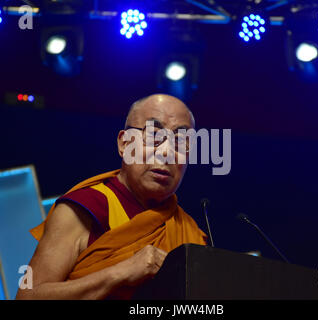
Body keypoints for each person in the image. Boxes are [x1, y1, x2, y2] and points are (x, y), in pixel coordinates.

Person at [16, 93, 207, 300]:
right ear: (124, 144)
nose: (167, 152)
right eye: (153, 135)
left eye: (180, 141)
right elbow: (27, 297)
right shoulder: (86, 208)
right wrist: (120, 273)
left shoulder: (189, 231)